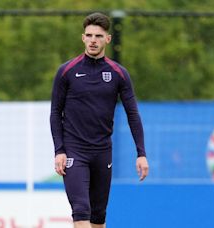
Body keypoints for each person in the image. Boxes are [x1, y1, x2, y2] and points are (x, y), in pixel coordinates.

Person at [50, 12, 149, 228]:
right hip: (74, 151)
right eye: (89, 35)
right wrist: (59, 150)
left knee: (98, 217)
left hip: (102, 152)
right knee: (80, 210)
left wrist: (141, 153)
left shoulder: (118, 74)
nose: (93, 40)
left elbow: (133, 114)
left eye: (98, 36)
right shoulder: (66, 71)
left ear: (108, 39)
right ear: (83, 37)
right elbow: (55, 113)